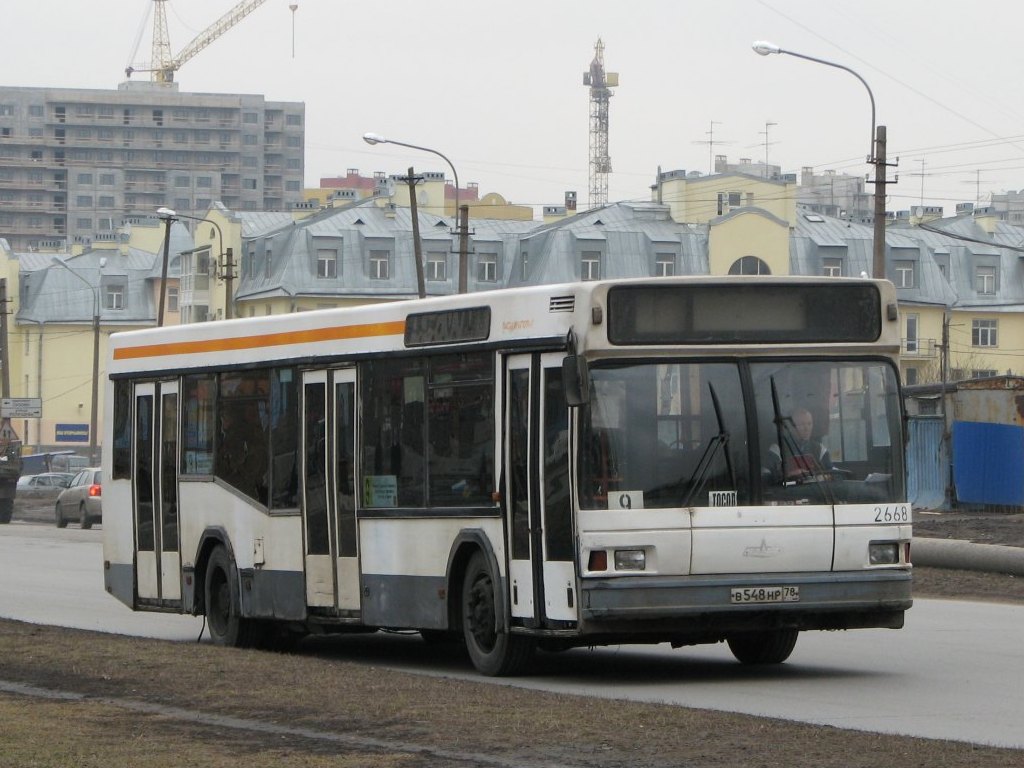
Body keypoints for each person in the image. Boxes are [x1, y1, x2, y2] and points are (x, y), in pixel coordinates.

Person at [768, 407, 832, 480]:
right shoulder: (777, 449)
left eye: (809, 424)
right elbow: (766, 477)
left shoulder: (820, 449)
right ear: (791, 427)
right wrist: (790, 475)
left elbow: (832, 473)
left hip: (816, 490)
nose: (807, 428)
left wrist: (822, 477)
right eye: (801, 424)